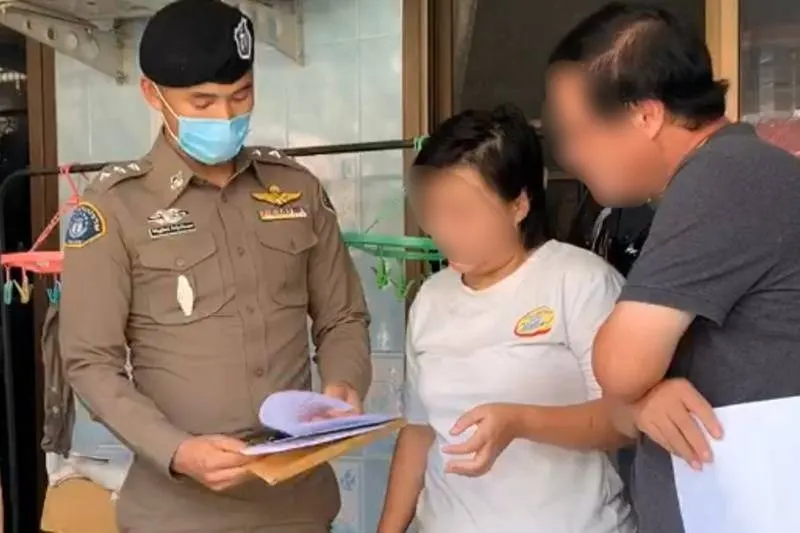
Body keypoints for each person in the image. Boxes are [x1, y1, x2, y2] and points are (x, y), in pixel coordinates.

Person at [58, 1, 372, 531]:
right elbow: (90, 362)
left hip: (298, 507)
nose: (225, 117)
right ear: (152, 94)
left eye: (240, 95)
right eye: (202, 101)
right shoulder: (115, 208)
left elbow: (343, 317)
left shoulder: (295, 189)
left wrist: (344, 381)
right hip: (178, 514)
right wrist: (177, 450)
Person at [546, 3, 800, 533]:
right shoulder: (729, 173)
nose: (572, 157)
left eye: (578, 132)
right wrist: (644, 398)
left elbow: (621, 366)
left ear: (645, 115)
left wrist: (636, 386)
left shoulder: (723, 178)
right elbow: (630, 393)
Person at [377, 105, 635, 533]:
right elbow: (420, 431)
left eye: (463, 212)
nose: (444, 230)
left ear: (519, 204)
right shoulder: (431, 297)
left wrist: (521, 421)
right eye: (434, 211)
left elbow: (623, 422)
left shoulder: (580, 283)